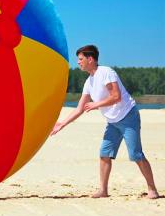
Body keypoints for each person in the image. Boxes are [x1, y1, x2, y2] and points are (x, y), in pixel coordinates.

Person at [51, 45, 159, 199]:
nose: (78, 62)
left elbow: (116, 96)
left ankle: (152, 189)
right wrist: (62, 123)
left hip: (128, 117)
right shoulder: (89, 82)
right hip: (113, 122)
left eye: (80, 59)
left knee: (136, 154)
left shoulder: (106, 72)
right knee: (104, 154)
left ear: (90, 59)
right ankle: (103, 190)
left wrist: (96, 104)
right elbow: (80, 108)